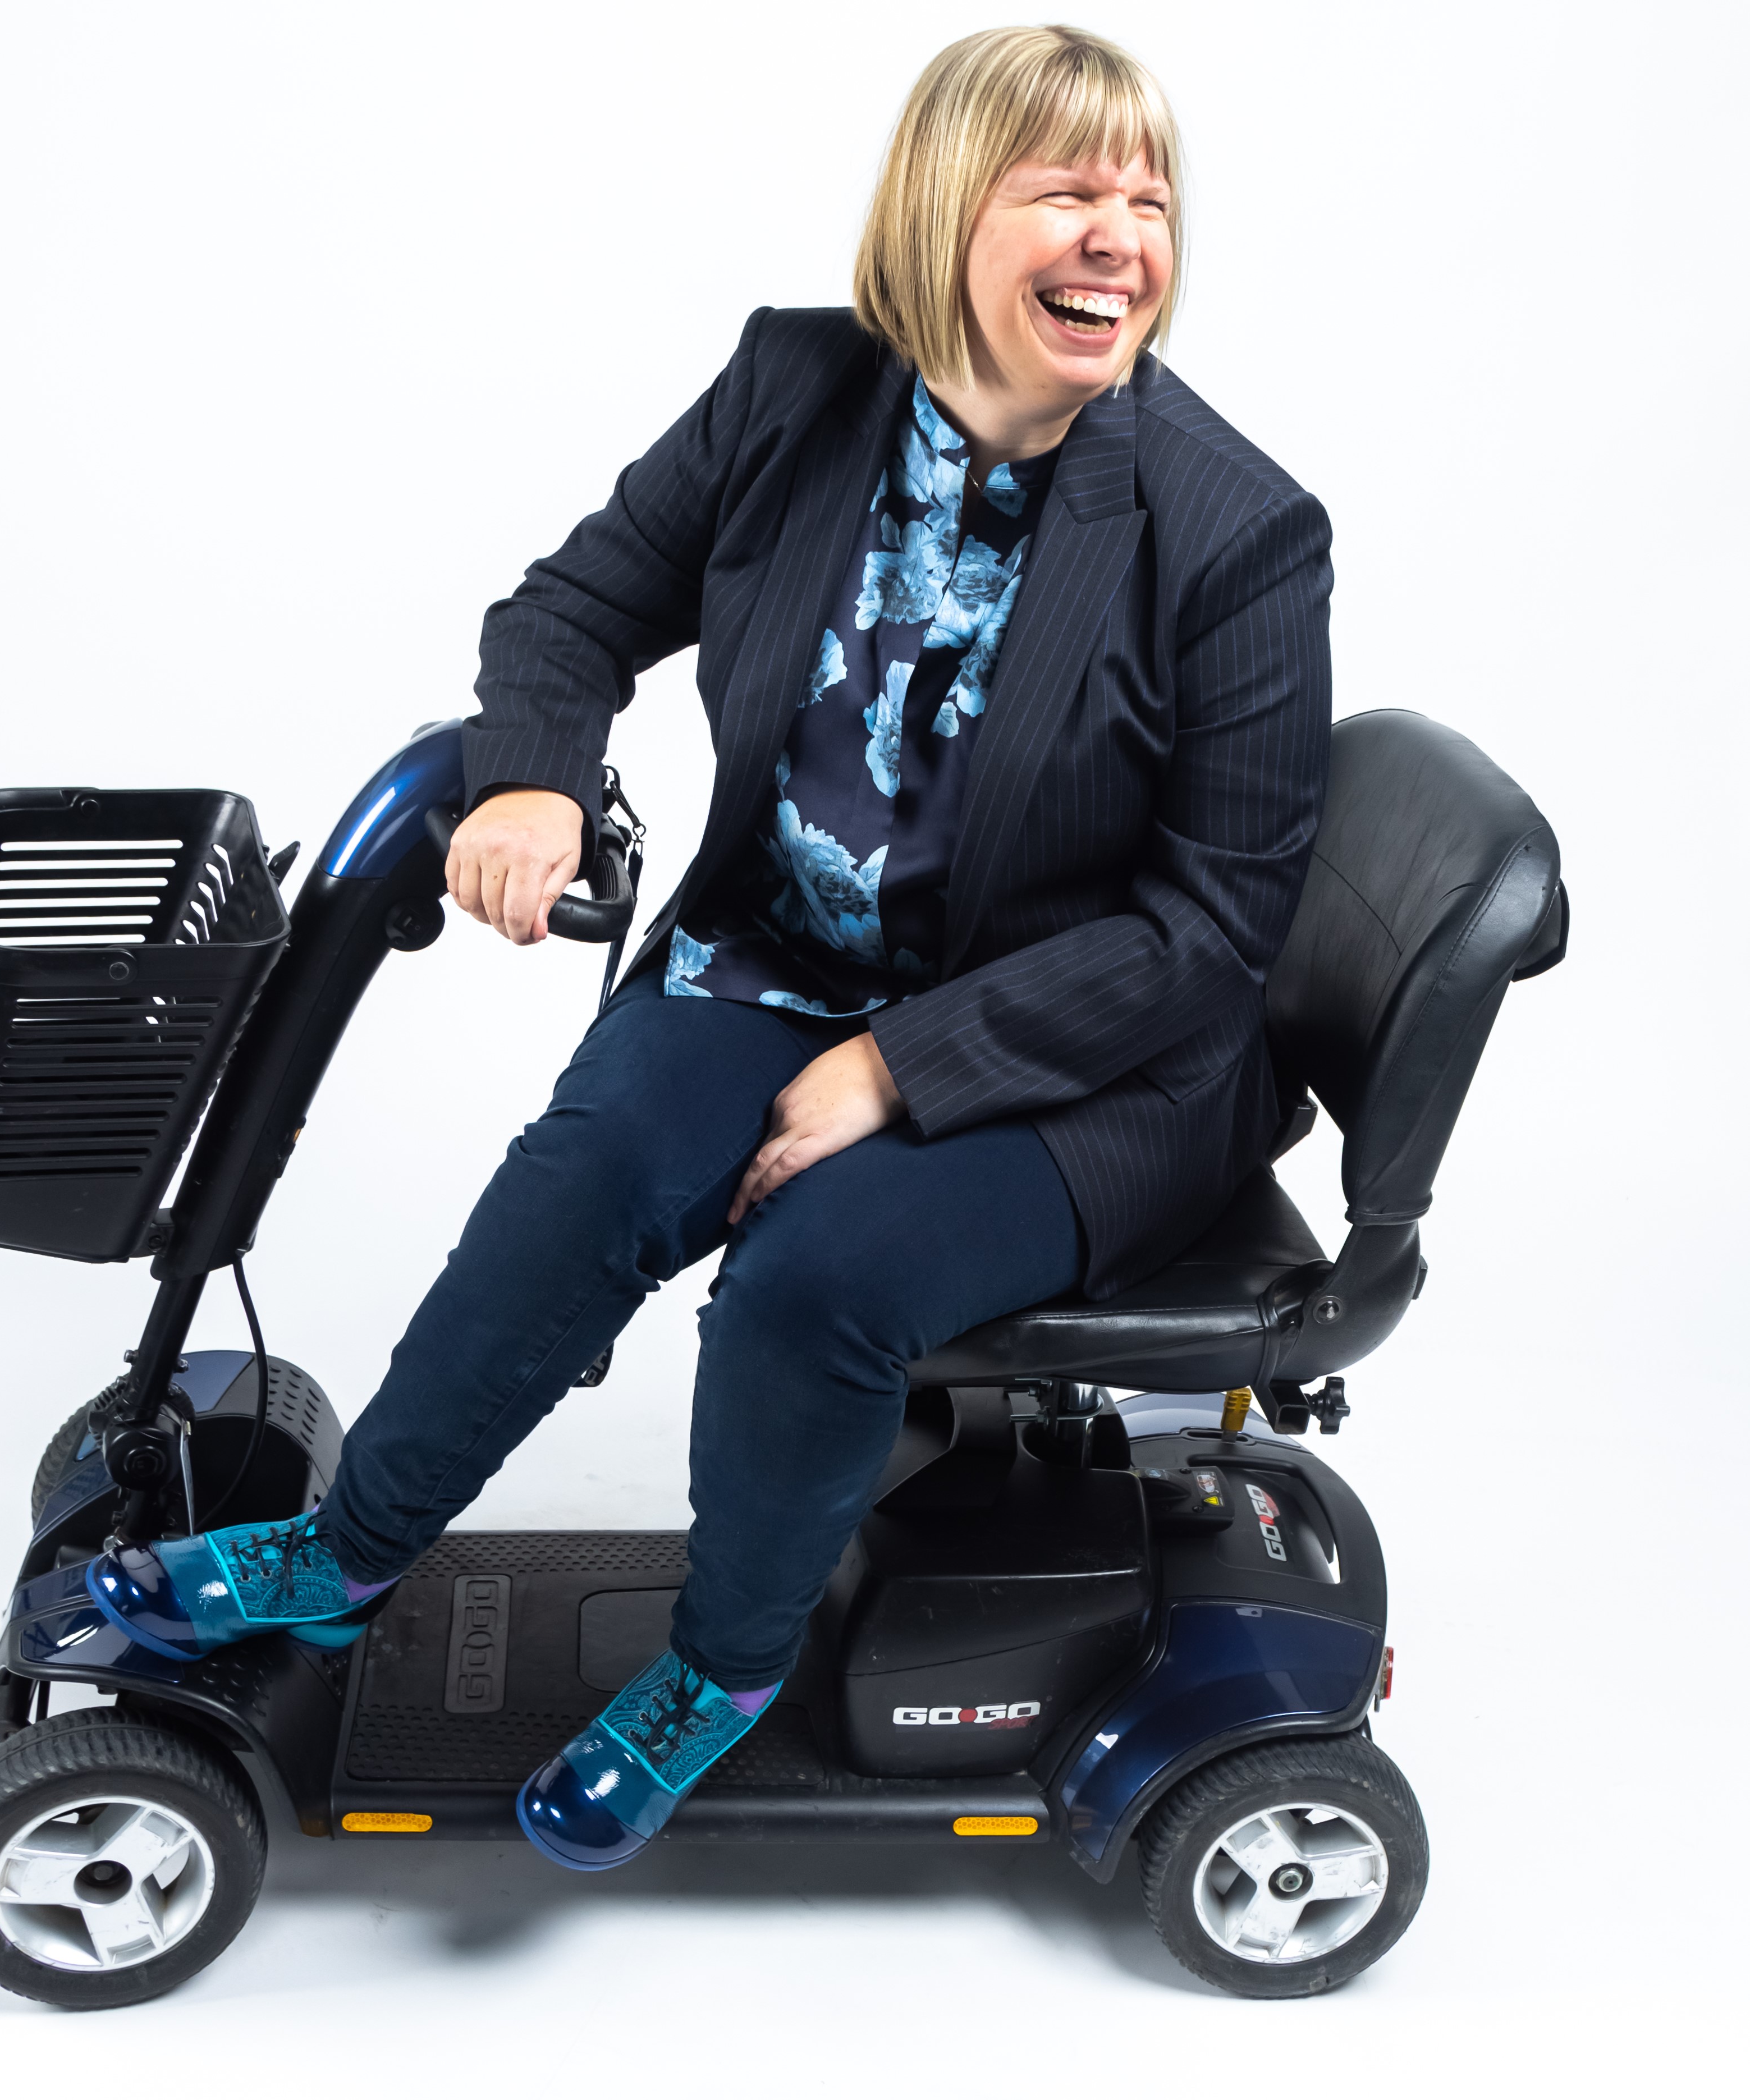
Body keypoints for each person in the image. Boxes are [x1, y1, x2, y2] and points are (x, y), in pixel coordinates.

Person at [81, 23, 1332, 1871]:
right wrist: (535, 780)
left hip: (1094, 1061)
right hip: (778, 955)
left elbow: (1211, 938)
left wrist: (899, 1071)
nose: (1118, 237)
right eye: (1065, 189)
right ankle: (345, 1562)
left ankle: (722, 1669)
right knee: (585, 1177)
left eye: (1146, 199)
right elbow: (576, 605)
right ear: (942, 210)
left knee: (811, 1280)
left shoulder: (1233, 532)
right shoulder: (794, 393)